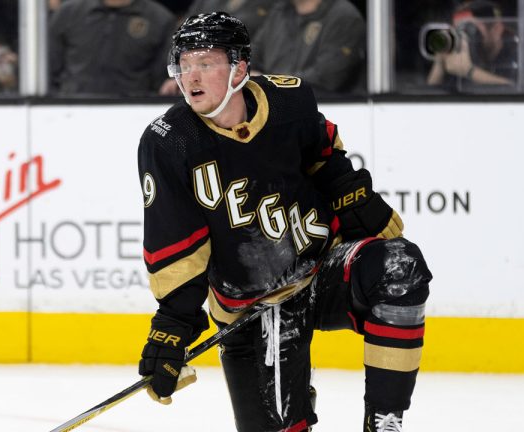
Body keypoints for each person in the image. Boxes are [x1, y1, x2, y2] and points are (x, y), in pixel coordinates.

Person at [136, 12, 432, 432]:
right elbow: (177, 242)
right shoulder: (170, 141)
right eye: (184, 65)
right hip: (251, 309)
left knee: (399, 263)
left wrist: (353, 196)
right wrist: (173, 326)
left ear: (239, 68)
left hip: (320, 272)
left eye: (205, 63)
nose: (191, 76)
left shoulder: (289, 102)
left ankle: (383, 420)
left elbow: (325, 157)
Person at [48, 0, 177, 96]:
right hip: (70, 110)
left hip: (134, 113)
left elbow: (162, 80)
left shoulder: (161, 19)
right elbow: (49, 69)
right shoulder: (68, 13)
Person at [250, 0, 366, 96]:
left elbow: (327, 78)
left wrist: (267, 82)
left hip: (323, 113)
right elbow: (251, 56)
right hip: (274, 108)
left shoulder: (344, 16)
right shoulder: (279, 11)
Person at [426, 0, 517, 89]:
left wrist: (469, 71)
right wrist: (439, 64)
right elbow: (429, 100)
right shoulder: (462, 58)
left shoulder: (517, 57)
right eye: (458, 32)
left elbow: (517, 90)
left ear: (497, 29)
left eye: (469, 30)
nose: (464, 38)